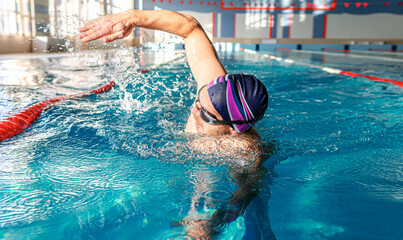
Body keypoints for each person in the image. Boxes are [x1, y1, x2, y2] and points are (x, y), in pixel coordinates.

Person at [79, 9, 272, 239]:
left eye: (206, 115)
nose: (194, 111)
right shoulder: (211, 88)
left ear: (235, 130)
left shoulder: (243, 151)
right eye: (199, 100)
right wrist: (131, 17)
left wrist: (210, 219)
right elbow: (191, 28)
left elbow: (244, 192)